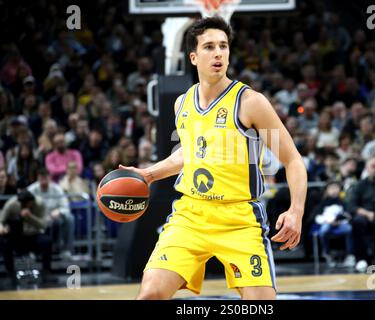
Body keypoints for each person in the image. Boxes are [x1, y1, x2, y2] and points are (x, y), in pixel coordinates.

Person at [120, 16, 307, 300]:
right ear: (193, 57)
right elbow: (191, 153)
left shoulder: (250, 103)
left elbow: (292, 160)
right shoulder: (182, 103)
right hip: (191, 215)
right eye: (209, 47)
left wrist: (296, 210)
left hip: (240, 218)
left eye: (223, 46)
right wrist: (149, 174)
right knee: (151, 294)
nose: (218, 53)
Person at [0, 190, 52, 283]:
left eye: (26, 204)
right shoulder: (12, 204)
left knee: (47, 241)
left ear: (31, 202)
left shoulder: (40, 204)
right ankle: (10, 273)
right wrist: (2, 228)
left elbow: (43, 225)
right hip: (16, 235)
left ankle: (46, 272)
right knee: (5, 243)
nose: (23, 205)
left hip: (33, 235)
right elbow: (1, 220)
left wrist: (30, 217)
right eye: (21, 203)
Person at [28, 168, 75, 260]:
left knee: (69, 218)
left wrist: (59, 211)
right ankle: (31, 251)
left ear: (49, 178)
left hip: (54, 219)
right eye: (41, 178)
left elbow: (66, 207)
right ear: (38, 178)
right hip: (36, 219)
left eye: (45, 178)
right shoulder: (31, 190)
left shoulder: (57, 189)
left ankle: (65, 250)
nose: (43, 181)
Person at [311, 181, 354, 268]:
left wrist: (339, 221)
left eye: (336, 188)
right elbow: (317, 218)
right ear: (327, 190)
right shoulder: (322, 203)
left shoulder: (342, 203)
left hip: (339, 225)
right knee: (323, 230)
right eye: (331, 188)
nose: (334, 190)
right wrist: (328, 221)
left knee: (349, 228)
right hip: (327, 224)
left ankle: (350, 255)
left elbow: (348, 216)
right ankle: (326, 254)